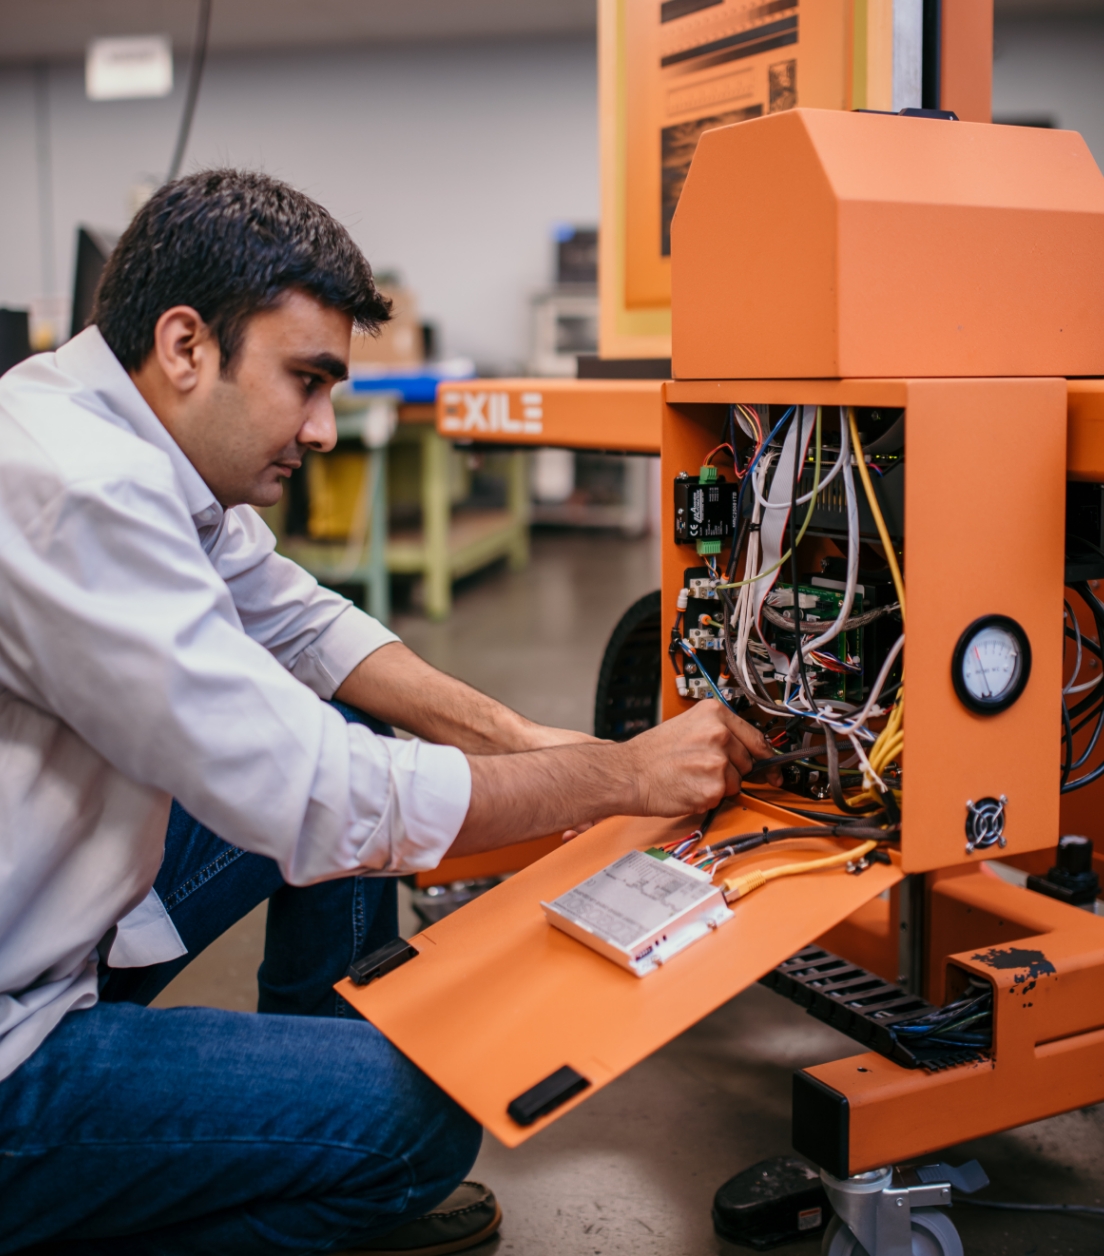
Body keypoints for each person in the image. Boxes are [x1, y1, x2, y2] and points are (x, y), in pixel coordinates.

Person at [0, 169, 776, 1255]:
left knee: (357, 731)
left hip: (41, 916)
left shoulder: (108, 424)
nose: (323, 427)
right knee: (418, 1121)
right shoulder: (76, 490)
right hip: (15, 1047)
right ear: (185, 346)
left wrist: (525, 740)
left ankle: (292, 1117)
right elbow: (325, 801)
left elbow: (303, 622)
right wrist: (627, 778)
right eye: (306, 380)